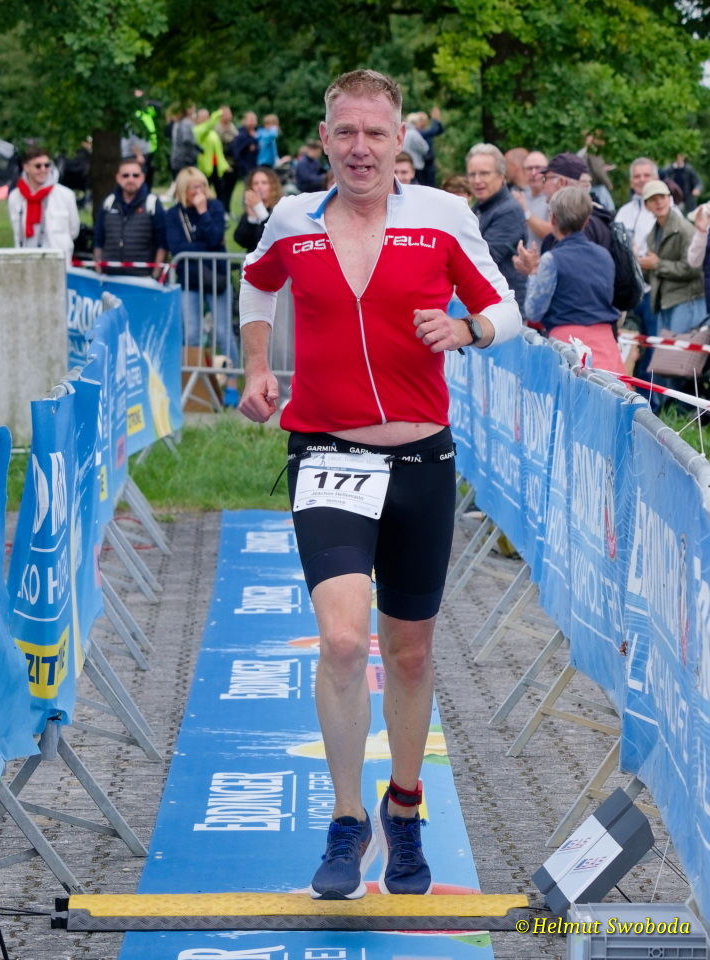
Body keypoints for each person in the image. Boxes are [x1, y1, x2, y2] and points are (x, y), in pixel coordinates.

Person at [237, 68, 521, 900]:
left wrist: (468, 328)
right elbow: (256, 279)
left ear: (401, 142)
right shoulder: (293, 219)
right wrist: (256, 365)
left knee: (410, 650)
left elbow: (506, 308)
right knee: (340, 642)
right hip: (327, 452)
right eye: (346, 132)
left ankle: (404, 806)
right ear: (324, 140)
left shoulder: (442, 215)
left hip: (421, 459)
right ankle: (345, 819)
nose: (360, 148)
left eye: (375, 133)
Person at [524, 186, 624, 374]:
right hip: (605, 343)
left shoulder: (551, 259)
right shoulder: (604, 255)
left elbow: (533, 312)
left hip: (567, 345)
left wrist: (532, 272)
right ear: (586, 221)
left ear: (553, 219)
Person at [166, 167, 238, 369]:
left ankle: (232, 380)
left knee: (223, 332)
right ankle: (197, 380)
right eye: (192, 187)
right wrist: (204, 245)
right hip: (189, 280)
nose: (198, 191)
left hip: (217, 277)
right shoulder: (173, 214)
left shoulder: (215, 207)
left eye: (201, 186)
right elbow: (177, 247)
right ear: (183, 190)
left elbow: (215, 238)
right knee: (191, 333)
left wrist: (203, 213)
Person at [466, 142, 528, 313]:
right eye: (472, 174)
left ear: (502, 175)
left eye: (484, 173)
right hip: (486, 305)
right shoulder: (479, 207)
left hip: (504, 309)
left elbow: (484, 259)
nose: (477, 180)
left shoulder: (509, 211)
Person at [638, 179, 704, 334]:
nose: (659, 202)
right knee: (665, 348)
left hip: (687, 301)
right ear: (646, 205)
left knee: (680, 349)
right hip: (664, 303)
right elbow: (653, 274)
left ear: (670, 199)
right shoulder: (652, 235)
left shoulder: (685, 229)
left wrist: (656, 264)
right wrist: (641, 266)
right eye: (653, 199)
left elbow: (694, 268)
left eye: (662, 197)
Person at [614, 158, 661, 377]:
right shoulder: (624, 211)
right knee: (628, 349)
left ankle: (653, 395)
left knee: (653, 350)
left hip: (654, 293)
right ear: (631, 181)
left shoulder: (665, 209)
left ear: (656, 178)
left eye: (646, 175)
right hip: (628, 292)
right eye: (637, 176)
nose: (642, 180)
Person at [93, 156, 167, 278]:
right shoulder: (108, 203)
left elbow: (162, 244)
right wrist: (98, 269)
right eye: (125, 175)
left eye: (135, 175)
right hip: (109, 277)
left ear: (142, 177)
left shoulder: (153, 203)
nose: (131, 179)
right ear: (118, 178)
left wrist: (155, 275)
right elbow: (98, 240)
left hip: (143, 278)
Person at [8, 144, 80, 265]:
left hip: (56, 262)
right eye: (38, 166)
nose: (43, 170)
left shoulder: (65, 195)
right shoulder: (15, 197)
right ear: (26, 167)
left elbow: (74, 231)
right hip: (26, 261)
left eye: (47, 165)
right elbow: (16, 232)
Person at [233, 166, 283, 253]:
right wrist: (251, 219)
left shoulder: (280, 209)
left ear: (272, 186)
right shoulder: (250, 210)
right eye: (255, 183)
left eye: (264, 183)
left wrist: (260, 210)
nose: (259, 187)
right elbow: (241, 240)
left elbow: (274, 238)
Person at [194, 107, 231, 212]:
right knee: (203, 191)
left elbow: (219, 152)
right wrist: (219, 113)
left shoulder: (213, 133)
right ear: (198, 119)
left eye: (207, 116)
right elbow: (207, 126)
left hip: (216, 168)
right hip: (204, 169)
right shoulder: (197, 130)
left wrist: (225, 165)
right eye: (204, 117)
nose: (207, 119)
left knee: (220, 191)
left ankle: (222, 212)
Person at [512, 150, 552, 246]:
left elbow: (550, 233)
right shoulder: (520, 196)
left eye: (538, 168)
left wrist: (526, 212)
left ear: (547, 171)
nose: (533, 173)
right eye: (529, 168)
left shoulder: (553, 197)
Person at [415, 107, 444, 187]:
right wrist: (435, 119)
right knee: (423, 185)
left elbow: (440, 131)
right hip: (421, 164)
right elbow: (433, 131)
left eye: (424, 119)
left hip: (429, 163)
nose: (423, 121)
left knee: (431, 184)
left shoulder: (426, 131)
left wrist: (438, 120)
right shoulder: (417, 133)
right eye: (420, 119)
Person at [402, 112, 429, 180]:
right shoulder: (414, 133)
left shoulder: (403, 132)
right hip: (415, 164)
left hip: (404, 162)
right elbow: (425, 148)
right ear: (415, 122)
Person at [233, 111, 260, 180]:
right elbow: (236, 152)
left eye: (254, 120)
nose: (252, 122)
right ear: (244, 121)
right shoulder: (240, 134)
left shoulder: (260, 133)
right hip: (246, 168)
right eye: (250, 120)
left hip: (259, 165)